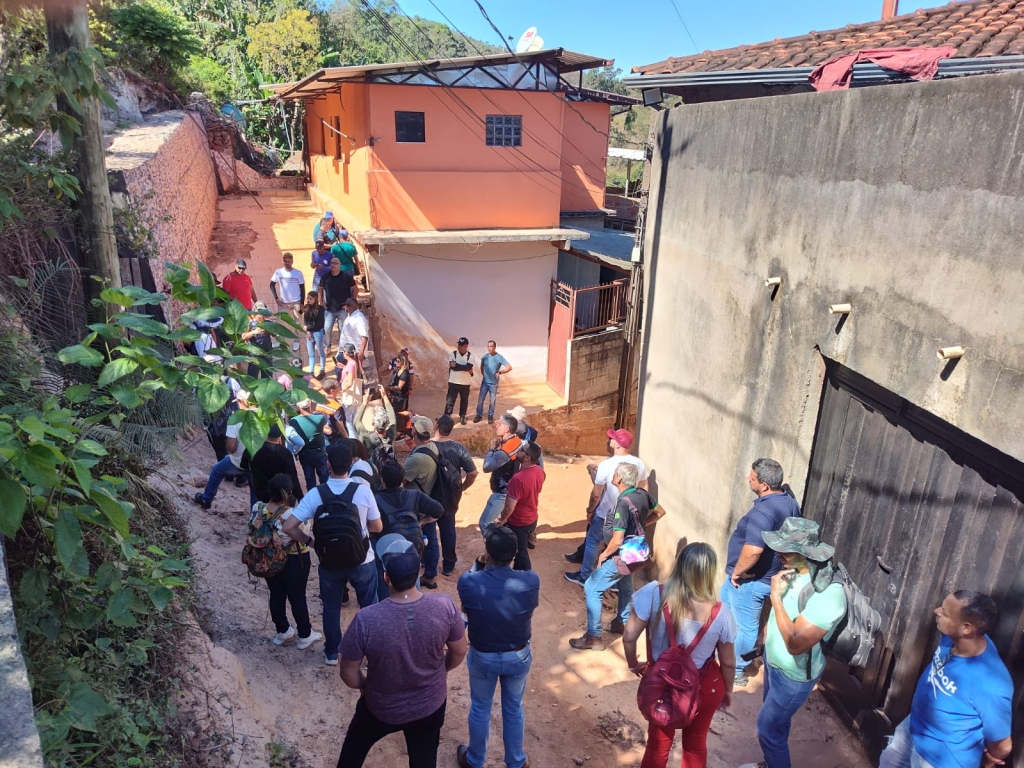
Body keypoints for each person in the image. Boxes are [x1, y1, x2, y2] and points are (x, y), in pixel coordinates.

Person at [336, 533, 468, 768]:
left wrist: (365, 685)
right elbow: (459, 651)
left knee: (353, 751)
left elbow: (348, 673)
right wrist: (440, 671)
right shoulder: (444, 605)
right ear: (419, 571)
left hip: (381, 707)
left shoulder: (366, 619)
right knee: (424, 759)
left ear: (386, 577)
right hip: (430, 704)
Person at [738, 518, 846, 768]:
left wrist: (775, 597)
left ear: (805, 553)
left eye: (785, 549)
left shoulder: (828, 594)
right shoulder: (793, 570)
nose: (778, 552)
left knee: (768, 732)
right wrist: (764, 636)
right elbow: (781, 615)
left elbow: (796, 645)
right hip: (774, 664)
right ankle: (770, 763)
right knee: (777, 725)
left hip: (793, 677)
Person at [623, 542, 737, 768]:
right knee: (695, 745)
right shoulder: (721, 612)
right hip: (703, 685)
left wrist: (634, 663)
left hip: (662, 684)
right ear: (710, 572)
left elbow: (628, 636)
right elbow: (728, 662)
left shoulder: (655, 594)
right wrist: (729, 690)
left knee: (658, 745)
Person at [877, 591, 1012, 768]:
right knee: (888, 761)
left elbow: (1003, 745)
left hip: (940, 759)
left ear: (967, 628)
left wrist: (989, 759)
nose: (936, 611)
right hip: (915, 727)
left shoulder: (991, 683)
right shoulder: (953, 637)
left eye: (945, 613)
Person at [282, 443, 382, 665]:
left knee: (331, 607)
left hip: (329, 561)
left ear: (328, 465)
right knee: (370, 607)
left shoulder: (316, 494)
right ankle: (370, 653)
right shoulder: (363, 491)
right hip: (362, 559)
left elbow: (288, 527)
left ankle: (331, 653)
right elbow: (377, 527)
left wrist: (311, 541)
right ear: (351, 464)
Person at [456, 525, 540, 768]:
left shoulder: (468, 582)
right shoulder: (531, 581)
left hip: (483, 655)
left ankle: (475, 760)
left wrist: (479, 563)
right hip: (518, 655)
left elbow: (469, 588)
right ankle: (515, 762)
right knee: (513, 709)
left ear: (487, 553)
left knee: (480, 708)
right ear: (514, 554)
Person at [722, 458, 801, 687]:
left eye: (752, 477)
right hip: (764, 576)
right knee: (724, 610)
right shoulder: (788, 501)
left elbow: (753, 551)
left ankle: (736, 669)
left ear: (764, 485)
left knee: (745, 626)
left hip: (750, 580)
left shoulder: (764, 512)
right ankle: (723, 654)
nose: (748, 478)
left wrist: (737, 572)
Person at [570, 463, 664, 651]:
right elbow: (660, 511)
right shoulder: (642, 494)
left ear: (619, 479)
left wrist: (603, 555)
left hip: (623, 554)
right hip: (637, 554)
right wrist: (641, 526)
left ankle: (594, 636)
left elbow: (618, 540)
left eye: (614, 473)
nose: (613, 475)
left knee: (592, 587)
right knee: (625, 585)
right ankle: (621, 622)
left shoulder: (623, 503)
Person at [565, 429, 647, 587]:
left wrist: (590, 510)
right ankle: (616, 582)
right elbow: (644, 487)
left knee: (593, 541)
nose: (610, 440)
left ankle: (585, 575)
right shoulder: (638, 463)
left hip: (606, 514)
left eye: (612, 438)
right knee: (620, 544)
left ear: (617, 444)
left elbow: (597, 494)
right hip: (629, 514)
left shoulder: (607, 465)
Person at [251, 473, 322, 651]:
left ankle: (282, 630)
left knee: (276, 593)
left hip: (268, 558)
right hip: (294, 559)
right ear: (287, 494)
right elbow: (305, 531)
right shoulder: (292, 514)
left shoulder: (258, 508)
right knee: (297, 596)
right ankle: (305, 634)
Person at [373, 460, 443, 600]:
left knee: (383, 581)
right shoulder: (415, 496)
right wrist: (421, 522)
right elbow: (438, 510)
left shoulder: (375, 500)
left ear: (382, 480)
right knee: (412, 575)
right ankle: (411, 604)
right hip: (412, 546)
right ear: (403, 479)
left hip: (387, 549)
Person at [432, 414, 478, 577]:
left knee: (427, 528)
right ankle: (448, 565)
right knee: (448, 528)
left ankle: (427, 562)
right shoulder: (459, 448)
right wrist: (463, 487)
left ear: (436, 426)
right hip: (451, 494)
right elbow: (472, 473)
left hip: (430, 494)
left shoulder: (426, 446)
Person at [194, 396, 254, 510]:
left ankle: (206, 499)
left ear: (242, 402)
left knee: (217, 470)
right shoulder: (264, 418)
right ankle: (256, 519)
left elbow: (231, 448)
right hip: (256, 464)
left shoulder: (235, 419)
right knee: (255, 491)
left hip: (237, 461)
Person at [403, 415, 442, 589]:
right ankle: (430, 573)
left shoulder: (416, 460)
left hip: (415, 504)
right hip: (428, 497)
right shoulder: (432, 446)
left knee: (417, 537)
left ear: (414, 432)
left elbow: (400, 480)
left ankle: (421, 574)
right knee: (430, 535)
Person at [497, 443, 545, 571]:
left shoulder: (518, 479)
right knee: (520, 550)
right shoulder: (540, 471)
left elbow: (510, 507)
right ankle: (519, 574)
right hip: (532, 517)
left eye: (522, 450)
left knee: (520, 552)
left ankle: (526, 576)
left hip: (519, 521)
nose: (518, 450)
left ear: (527, 457)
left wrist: (502, 520)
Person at [479, 414, 523, 534]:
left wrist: (492, 449)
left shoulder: (504, 451)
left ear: (507, 429)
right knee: (501, 523)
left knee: (485, 524)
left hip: (502, 492)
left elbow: (486, 467)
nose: (496, 426)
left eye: (499, 424)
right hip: (510, 489)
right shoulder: (517, 440)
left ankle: (494, 551)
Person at [248, 424, 302, 504]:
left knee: (263, 514)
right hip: (281, 496)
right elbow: (292, 477)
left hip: (261, 493)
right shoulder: (285, 453)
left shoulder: (254, 450)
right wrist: (300, 496)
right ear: (281, 434)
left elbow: (244, 465)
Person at [290, 399, 330, 494]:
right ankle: (326, 499)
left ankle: (312, 502)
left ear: (298, 406)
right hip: (320, 454)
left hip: (305, 455)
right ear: (310, 404)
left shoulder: (294, 421)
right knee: (324, 479)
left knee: (310, 480)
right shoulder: (320, 418)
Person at [319, 258, 356, 355]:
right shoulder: (325, 277)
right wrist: (321, 302)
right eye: (331, 263)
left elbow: (355, 289)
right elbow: (320, 289)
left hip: (342, 309)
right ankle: (328, 347)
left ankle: (341, 348)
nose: (333, 264)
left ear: (340, 265)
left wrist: (352, 303)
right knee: (327, 329)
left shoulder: (346, 277)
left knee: (342, 329)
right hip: (329, 309)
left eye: (335, 263)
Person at [473, 340, 511, 424]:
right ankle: (479, 415)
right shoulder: (484, 357)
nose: (489, 348)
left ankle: (490, 415)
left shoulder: (499, 357)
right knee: (480, 400)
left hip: (493, 383)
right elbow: (482, 367)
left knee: (492, 400)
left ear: (494, 347)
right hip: (485, 382)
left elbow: (509, 367)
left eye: (491, 346)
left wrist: (500, 372)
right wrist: (484, 375)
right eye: (488, 346)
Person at [355, 388, 396, 462]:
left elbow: (356, 421)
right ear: (387, 423)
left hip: (371, 469)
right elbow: (392, 416)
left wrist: (364, 403)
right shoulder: (391, 434)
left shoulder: (365, 436)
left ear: (373, 423)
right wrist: (384, 396)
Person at [269, 252, 305, 334]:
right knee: (280, 322)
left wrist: (302, 303)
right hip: (284, 303)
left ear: (292, 262)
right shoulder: (278, 272)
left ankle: (297, 341)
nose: (287, 263)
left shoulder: (298, 273)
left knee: (298, 323)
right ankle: (280, 340)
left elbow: (302, 288)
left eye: (289, 261)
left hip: (296, 303)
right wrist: (276, 298)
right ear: (283, 261)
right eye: (285, 261)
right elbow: (272, 285)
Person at [445, 337, 475, 425]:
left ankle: (462, 416)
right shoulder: (453, 354)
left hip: (465, 383)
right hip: (453, 382)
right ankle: (447, 417)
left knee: (464, 400)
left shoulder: (471, 356)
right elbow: (452, 365)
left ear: (466, 346)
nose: (459, 346)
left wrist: (458, 366)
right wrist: (465, 368)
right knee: (450, 401)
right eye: (459, 344)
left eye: (461, 345)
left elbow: (468, 367)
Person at [338, 343, 362, 438]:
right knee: (354, 419)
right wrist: (344, 368)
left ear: (346, 353)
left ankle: (354, 440)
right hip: (354, 396)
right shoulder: (354, 363)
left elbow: (350, 382)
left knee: (348, 422)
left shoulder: (351, 365)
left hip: (349, 395)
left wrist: (341, 390)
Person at [339, 297, 370, 371]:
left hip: (354, 353)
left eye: (348, 305)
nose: (346, 307)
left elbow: (364, 337)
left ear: (355, 306)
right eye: (345, 305)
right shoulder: (350, 316)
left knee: (354, 374)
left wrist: (361, 352)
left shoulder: (359, 318)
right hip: (345, 351)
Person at [302, 291, 326, 377]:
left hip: (318, 332)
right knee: (311, 353)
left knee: (321, 352)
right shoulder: (306, 308)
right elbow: (305, 320)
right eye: (308, 298)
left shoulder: (320, 309)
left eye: (310, 298)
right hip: (309, 333)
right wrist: (308, 331)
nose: (308, 300)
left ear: (315, 299)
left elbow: (319, 323)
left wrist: (308, 328)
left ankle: (322, 369)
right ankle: (311, 371)